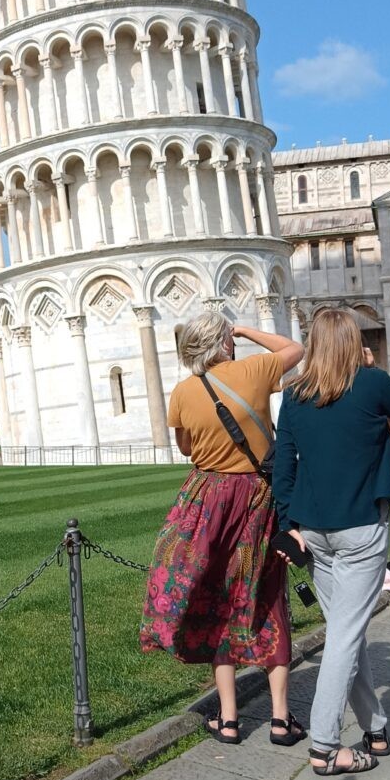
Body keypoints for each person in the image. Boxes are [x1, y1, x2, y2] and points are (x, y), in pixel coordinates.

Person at [140, 311, 305, 746]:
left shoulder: (182, 392)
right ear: (225, 341)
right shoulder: (253, 369)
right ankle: (280, 719)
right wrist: (247, 330)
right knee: (267, 597)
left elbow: (187, 448)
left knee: (218, 600)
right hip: (257, 499)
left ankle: (229, 719)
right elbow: (295, 350)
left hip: (207, 500)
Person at [273, 309, 390, 776]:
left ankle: (375, 726)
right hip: (359, 527)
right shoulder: (372, 383)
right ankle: (324, 745)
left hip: (312, 530)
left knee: (348, 632)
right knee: (344, 634)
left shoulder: (295, 395)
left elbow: (284, 466)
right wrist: (387, 422)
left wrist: (287, 521)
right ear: (353, 341)